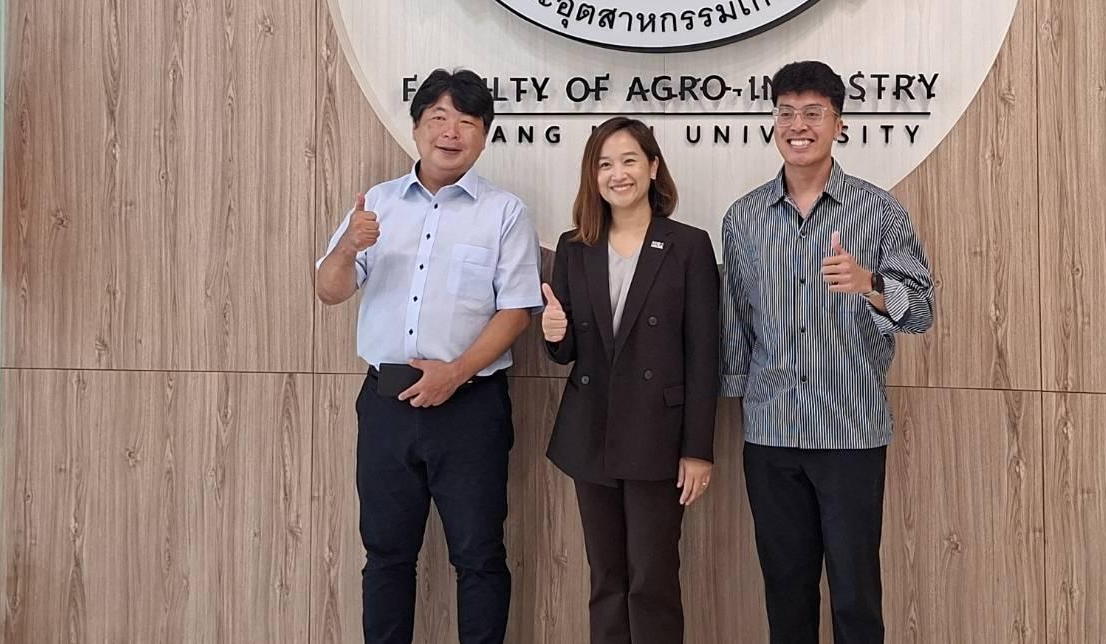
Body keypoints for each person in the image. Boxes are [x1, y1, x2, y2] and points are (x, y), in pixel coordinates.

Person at [315, 68, 542, 644]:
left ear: (484, 135)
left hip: (471, 407)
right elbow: (329, 289)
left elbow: (516, 311)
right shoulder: (378, 204)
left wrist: (455, 374)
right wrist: (347, 247)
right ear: (416, 127)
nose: (451, 132)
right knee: (386, 555)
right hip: (387, 404)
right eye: (438, 118)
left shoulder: (504, 211)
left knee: (479, 555)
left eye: (467, 121)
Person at [720, 60, 935, 644]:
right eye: (786, 112)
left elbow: (921, 312)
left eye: (813, 113)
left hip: (851, 433)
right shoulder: (743, 218)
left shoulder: (879, 211)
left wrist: (870, 284)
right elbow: (735, 324)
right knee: (785, 592)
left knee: (856, 596)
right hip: (771, 435)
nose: (798, 125)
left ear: (839, 124)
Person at [540, 116, 720, 644]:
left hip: (657, 435)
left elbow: (703, 355)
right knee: (606, 580)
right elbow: (568, 353)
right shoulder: (575, 246)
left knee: (652, 580)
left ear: (653, 167)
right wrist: (554, 334)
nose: (617, 174)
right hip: (589, 432)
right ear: (592, 176)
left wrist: (698, 450)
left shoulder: (688, 245)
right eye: (604, 164)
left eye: (629, 161)